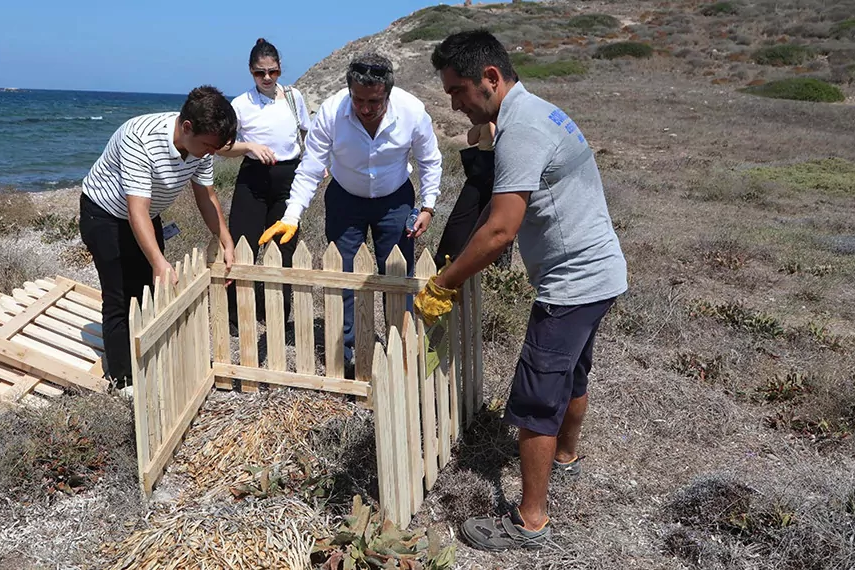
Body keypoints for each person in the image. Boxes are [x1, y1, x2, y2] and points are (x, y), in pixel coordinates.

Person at [416, 30, 627, 551]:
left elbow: (500, 231)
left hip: (572, 284)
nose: (456, 103)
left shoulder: (523, 130)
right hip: (601, 274)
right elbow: (502, 208)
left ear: (490, 78)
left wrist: (445, 281)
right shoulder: (535, 112)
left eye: (459, 91)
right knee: (573, 373)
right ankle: (566, 457)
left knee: (535, 399)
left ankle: (530, 520)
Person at [259, 52, 443, 370]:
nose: (366, 109)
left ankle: (400, 348)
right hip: (345, 198)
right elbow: (312, 166)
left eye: (375, 101)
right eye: (359, 100)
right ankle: (346, 351)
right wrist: (292, 215)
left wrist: (428, 205)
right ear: (349, 92)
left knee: (397, 276)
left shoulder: (412, 111)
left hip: (395, 199)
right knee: (343, 276)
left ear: (388, 93)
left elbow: (430, 160)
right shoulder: (332, 112)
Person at [79, 86, 237, 389]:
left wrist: (225, 239)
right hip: (104, 215)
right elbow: (136, 207)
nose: (210, 154)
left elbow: (206, 195)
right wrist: (158, 261)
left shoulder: (203, 144)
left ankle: (146, 359)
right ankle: (124, 382)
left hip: (145, 216)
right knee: (120, 297)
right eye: (207, 146)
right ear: (187, 127)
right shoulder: (139, 137)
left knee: (149, 292)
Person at [218, 38, 310, 325]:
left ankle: (277, 315)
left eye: (273, 71)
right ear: (250, 71)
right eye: (260, 72)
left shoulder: (295, 98)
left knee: (283, 248)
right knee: (244, 245)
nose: (267, 78)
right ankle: (236, 315)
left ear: (280, 69)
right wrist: (249, 147)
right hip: (253, 179)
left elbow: (307, 135)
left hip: (288, 179)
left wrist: (316, 165)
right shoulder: (240, 104)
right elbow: (221, 147)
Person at [432, 120, 512, 269]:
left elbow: (496, 137)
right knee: (461, 220)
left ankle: (497, 272)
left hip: (498, 168)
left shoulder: (506, 116)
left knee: (498, 220)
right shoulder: (487, 118)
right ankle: (445, 264)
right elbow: (471, 139)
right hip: (482, 168)